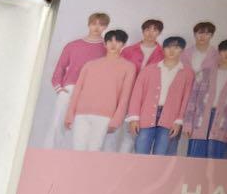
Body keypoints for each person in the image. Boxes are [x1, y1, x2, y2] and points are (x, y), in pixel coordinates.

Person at [64, 29, 136, 152]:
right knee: (77, 149)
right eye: (110, 41)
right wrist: (69, 114)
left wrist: (117, 119)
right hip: (81, 113)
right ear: (105, 43)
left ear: (123, 44)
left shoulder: (129, 67)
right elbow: (77, 91)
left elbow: (125, 96)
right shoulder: (90, 65)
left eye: (118, 41)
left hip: (105, 115)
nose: (113, 44)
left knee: (94, 150)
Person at [47, 12, 109, 148]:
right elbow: (60, 67)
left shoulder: (107, 49)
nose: (97, 27)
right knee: (58, 123)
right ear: (88, 24)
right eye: (94, 24)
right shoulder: (73, 45)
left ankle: (79, 158)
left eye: (101, 25)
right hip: (70, 88)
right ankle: (48, 153)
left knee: (85, 130)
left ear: (106, 27)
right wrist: (59, 88)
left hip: (93, 92)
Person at [128, 36, 195, 156]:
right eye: (168, 47)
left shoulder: (188, 73)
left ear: (182, 50)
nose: (172, 51)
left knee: (162, 155)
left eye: (176, 48)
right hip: (146, 116)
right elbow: (137, 95)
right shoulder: (148, 70)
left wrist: (179, 121)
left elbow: (186, 99)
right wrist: (134, 118)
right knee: (140, 153)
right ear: (163, 49)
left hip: (170, 119)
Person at [184, 39, 227, 160]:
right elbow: (192, 100)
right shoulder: (204, 73)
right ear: (219, 52)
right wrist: (188, 124)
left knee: (217, 163)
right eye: (224, 50)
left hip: (225, 123)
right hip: (200, 121)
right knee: (194, 160)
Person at [117, 19, 166, 152]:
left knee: (134, 133)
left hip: (146, 99)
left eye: (155, 30)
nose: (151, 33)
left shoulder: (163, 54)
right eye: (147, 29)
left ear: (159, 33)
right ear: (143, 31)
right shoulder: (128, 51)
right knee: (117, 130)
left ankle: (128, 160)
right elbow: (119, 72)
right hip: (125, 94)